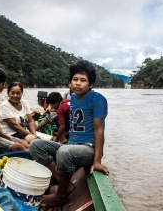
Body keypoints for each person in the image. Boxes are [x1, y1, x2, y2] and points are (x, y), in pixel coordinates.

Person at [29, 60, 109, 207]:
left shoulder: (97, 99)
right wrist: (64, 139)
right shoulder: (72, 99)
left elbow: (99, 130)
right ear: (70, 83)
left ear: (90, 84)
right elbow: (74, 125)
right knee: (35, 145)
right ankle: (64, 182)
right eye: (75, 79)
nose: (78, 83)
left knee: (64, 153)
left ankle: (60, 195)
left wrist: (97, 161)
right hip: (72, 145)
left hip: (88, 149)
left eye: (83, 80)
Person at [0, 82, 38, 147]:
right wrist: (30, 134)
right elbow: (13, 125)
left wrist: (34, 134)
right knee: (34, 141)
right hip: (11, 133)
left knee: (38, 140)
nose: (15, 95)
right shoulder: (5, 105)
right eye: (12, 93)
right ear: (8, 93)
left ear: (21, 94)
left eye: (18, 93)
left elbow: (30, 121)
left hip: (23, 132)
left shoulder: (24, 102)